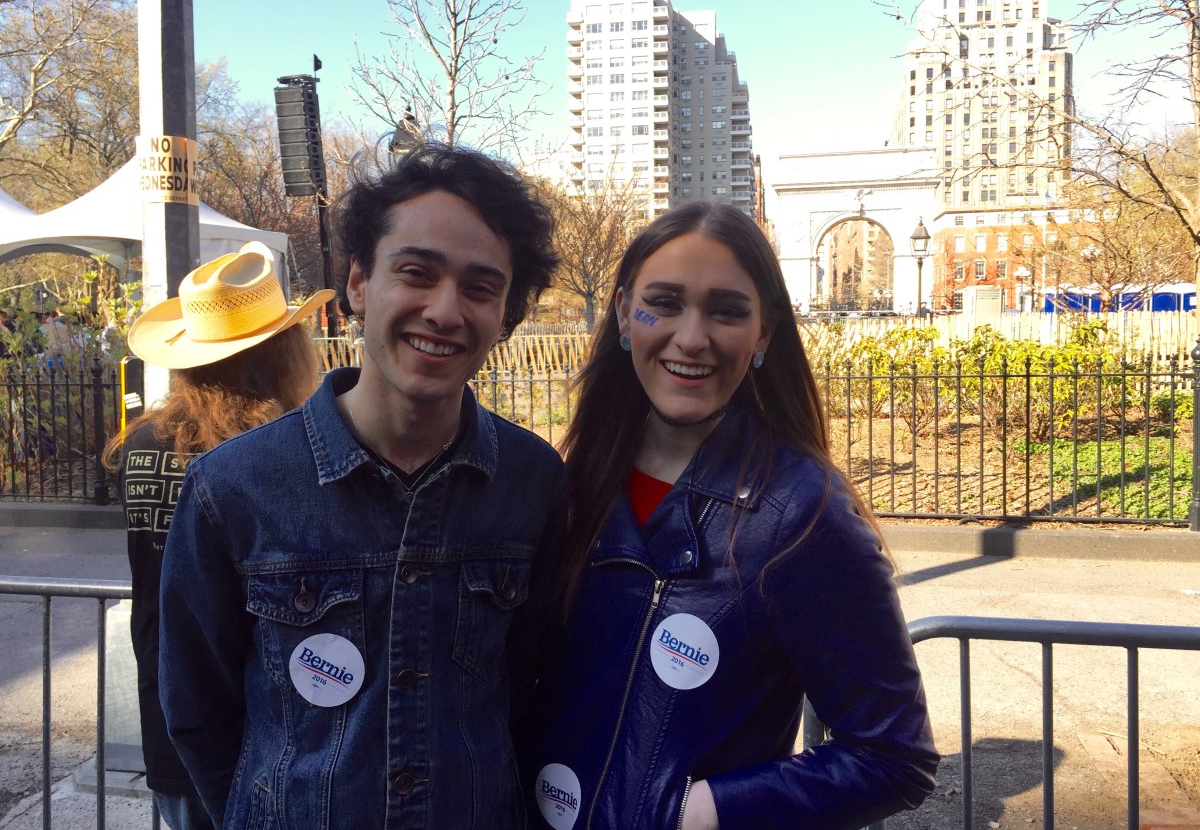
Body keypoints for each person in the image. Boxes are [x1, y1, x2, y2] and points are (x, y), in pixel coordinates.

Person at [158, 144, 564, 829]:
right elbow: (198, 713)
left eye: (479, 287)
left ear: (505, 315)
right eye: (416, 272)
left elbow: (535, 690)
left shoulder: (532, 482)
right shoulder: (232, 487)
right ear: (356, 284)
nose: (443, 310)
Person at [522, 203, 938, 830]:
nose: (692, 338)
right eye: (663, 302)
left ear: (764, 333)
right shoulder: (570, 481)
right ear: (623, 316)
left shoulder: (802, 513)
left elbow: (893, 755)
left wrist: (695, 812)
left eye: (726, 310)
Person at [103, 241, 331, 830]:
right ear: (283, 353)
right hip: (267, 725)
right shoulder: (280, 451)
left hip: (168, 706)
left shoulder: (141, 443)